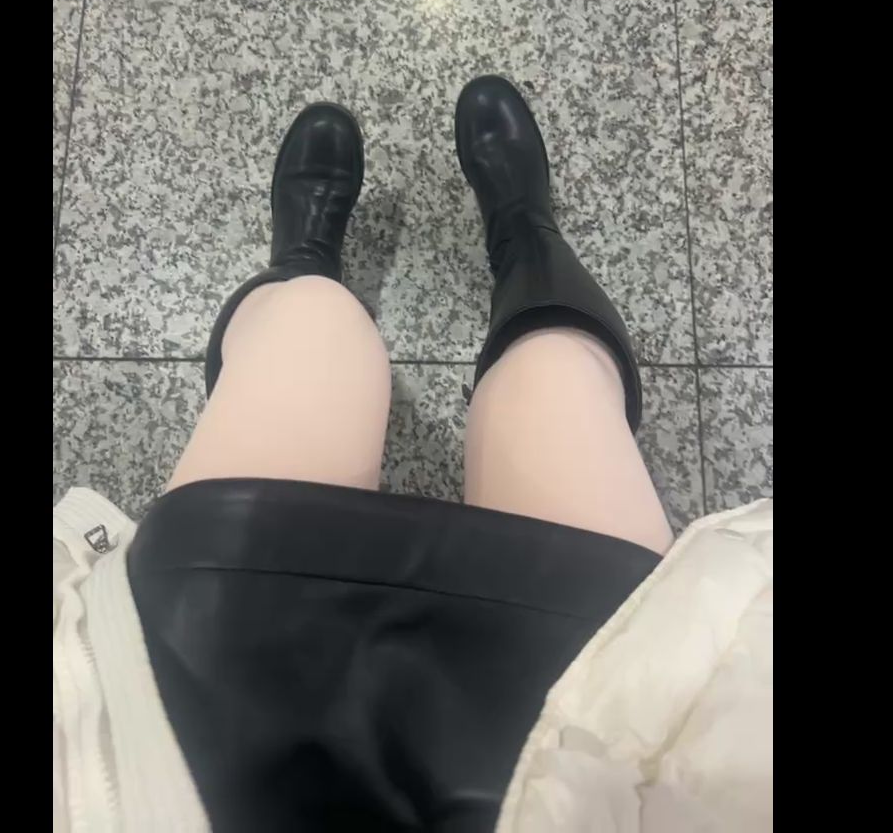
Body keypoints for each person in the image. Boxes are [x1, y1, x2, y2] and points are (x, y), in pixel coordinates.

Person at [53, 76, 772, 832]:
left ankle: (304, 258)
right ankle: (525, 234)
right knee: (555, 368)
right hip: (592, 720)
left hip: (198, 693)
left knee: (311, 323)